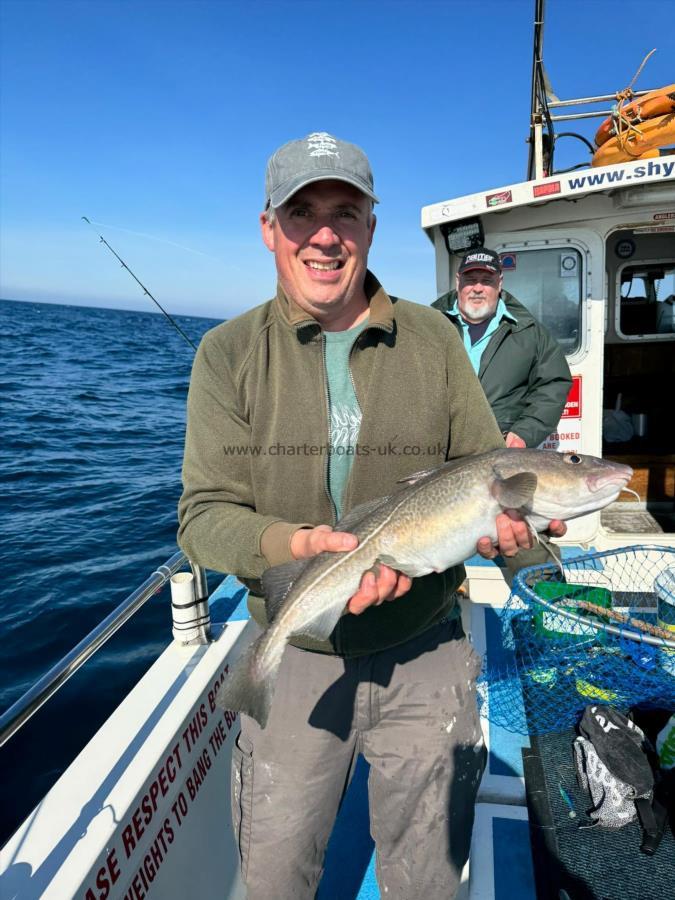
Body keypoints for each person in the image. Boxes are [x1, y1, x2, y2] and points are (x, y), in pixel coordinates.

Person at [178, 133, 565, 899]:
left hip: (424, 649)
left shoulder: (433, 339)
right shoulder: (226, 354)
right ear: (269, 229)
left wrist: (522, 553)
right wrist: (290, 544)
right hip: (295, 654)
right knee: (275, 874)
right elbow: (202, 517)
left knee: (424, 877)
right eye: (302, 213)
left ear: (370, 228)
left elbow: (484, 476)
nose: (325, 234)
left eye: (345, 213)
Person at [432, 247, 572, 449]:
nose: (477, 288)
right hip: (439, 447)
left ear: (500, 284)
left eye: (487, 281)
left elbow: (554, 383)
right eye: (470, 280)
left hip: (498, 449)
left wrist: (525, 432)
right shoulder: (429, 326)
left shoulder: (528, 331)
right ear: (457, 282)